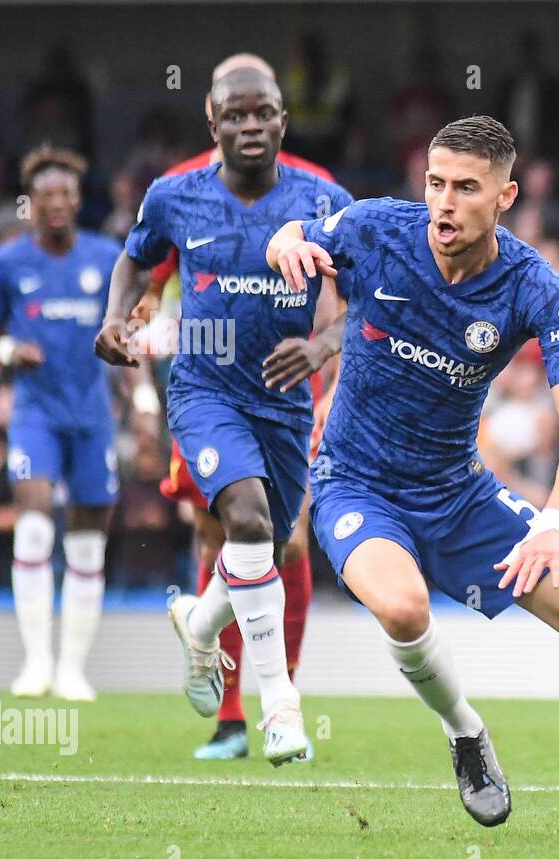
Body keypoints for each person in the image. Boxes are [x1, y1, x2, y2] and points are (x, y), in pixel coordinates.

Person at [266, 115, 559, 835]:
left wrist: (552, 526)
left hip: (460, 494)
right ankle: (466, 733)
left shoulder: (533, 287)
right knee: (402, 609)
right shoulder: (373, 231)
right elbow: (294, 231)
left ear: (506, 196)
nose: (444, 203)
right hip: (355, 482)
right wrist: (287, 243)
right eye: (435, 183)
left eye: (466, 188)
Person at [95, 68, 353, 766]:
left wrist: (325, 343)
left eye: (261, 113)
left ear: (282, 119)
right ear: (212, 121)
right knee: (243, 524)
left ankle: (199, 622)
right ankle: (276, 713)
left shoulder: (322, 197)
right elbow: (134, 260)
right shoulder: (175, 194)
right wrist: (117, 320)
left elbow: (368, 290)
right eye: (234, 116)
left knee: (269, 549)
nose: (248, 127)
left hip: (286, 402)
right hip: (205, 392)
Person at [0, 147, 120, 701]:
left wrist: (145, 403)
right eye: (45, 197)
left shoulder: (107, 258)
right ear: (29, 205)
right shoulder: (9, 263)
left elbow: (127, 329)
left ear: (78, 200)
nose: (56, 204)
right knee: (35, 526)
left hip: (92, 418)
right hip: (34, 416)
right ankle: (36, 664)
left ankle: (72, 668)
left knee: (86, 547)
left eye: (65, 195)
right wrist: (9, 348)